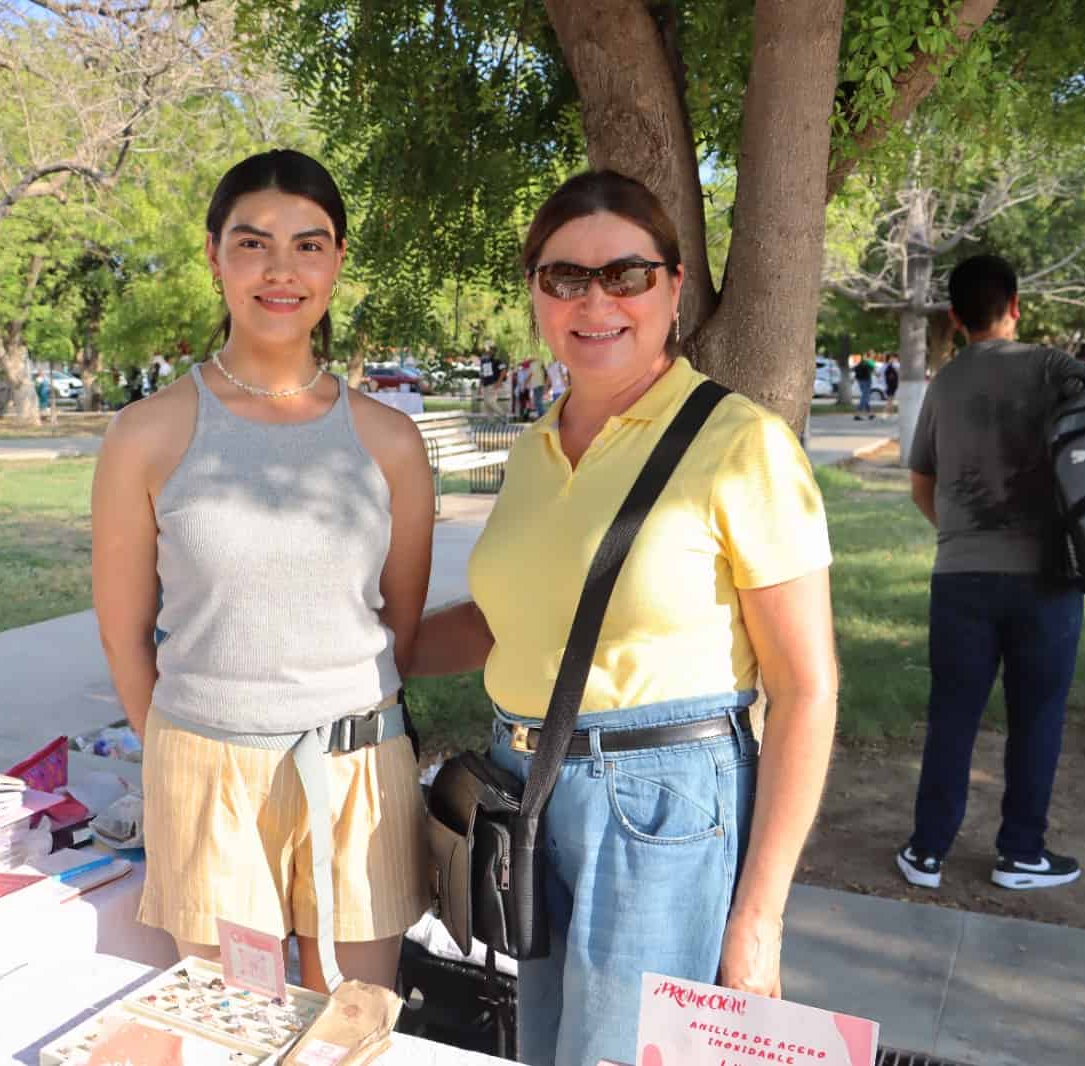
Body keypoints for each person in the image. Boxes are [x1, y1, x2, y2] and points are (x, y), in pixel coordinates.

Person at [410, 171, 837, 1066]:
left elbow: (805, 691)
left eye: (627, 275)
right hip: (525, 784)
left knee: (619, 1056)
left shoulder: (741, 442)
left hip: (661, 802)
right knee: (547, 1048)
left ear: (675, 287)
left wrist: (759, 918)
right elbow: (512, 622)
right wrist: (363, 647)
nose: (595, 300)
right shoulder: (534, 448)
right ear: (534, 293)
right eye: (565, 277)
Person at [91, 149, 434, 994]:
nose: (281, 271)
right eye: (253, 244)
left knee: (349, 1031)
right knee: (230, 1034)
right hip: (205, 776)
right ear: (214, 256)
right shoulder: (148, 432)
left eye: (308, 245)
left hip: (357, 775)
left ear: (338, 260)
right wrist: (182, 749)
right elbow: (125, 630)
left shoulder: (390, 440)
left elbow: (402, 623)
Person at [898, 254, 1085, 893]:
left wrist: (958, 535)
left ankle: (926, 853)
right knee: (1037, 718)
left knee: (953, 716)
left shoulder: (944, 385)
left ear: (954, 316)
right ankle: (1021, 853)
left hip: (961, 576)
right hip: (1049, 575)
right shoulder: (1055, 368)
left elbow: (921, 482)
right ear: (1016, 306)